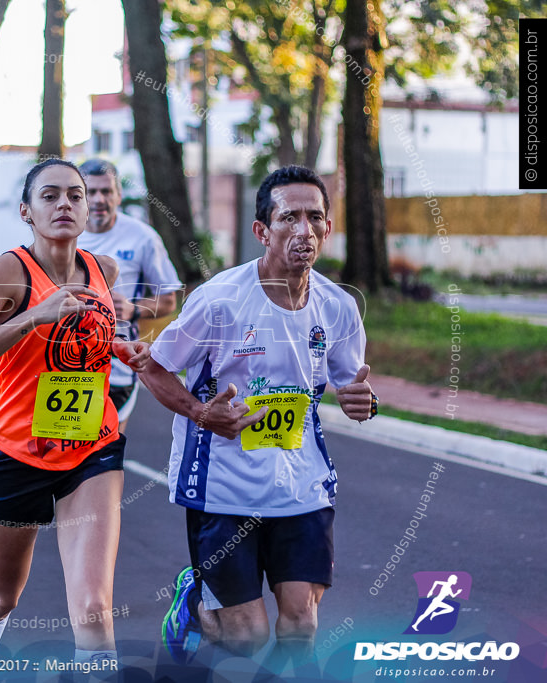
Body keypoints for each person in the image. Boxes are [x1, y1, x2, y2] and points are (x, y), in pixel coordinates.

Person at [135, 166, 377, 669]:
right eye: (289, 217)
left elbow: (351, 383)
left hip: (301, 483)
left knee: (301, 626)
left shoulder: (338, 307)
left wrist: (361, 402)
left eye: (315, 217)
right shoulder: (220, 301)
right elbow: (155, 370)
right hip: (224, 485)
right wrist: (203, 413)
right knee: (246, 638)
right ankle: (192, 605)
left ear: (328, 229)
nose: (304, 230)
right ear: (262, 231)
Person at [0, 159, 149, 669]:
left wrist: (127, 350)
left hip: (91, 449)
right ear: (26, 211)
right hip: (15, 454)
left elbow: (94, 340)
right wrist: (33, 315)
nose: (65, 205)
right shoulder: (8, 271)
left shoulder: (105, 270)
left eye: (75, 196)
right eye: (50, 196)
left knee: (95, 609)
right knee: (1, 596)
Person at [76, 159, 182, 433]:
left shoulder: (142, 237)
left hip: (115, 361)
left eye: (107, 191)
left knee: (106, 448)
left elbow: (170, 298)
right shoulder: (62, 233)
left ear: (118, 195)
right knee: (61, 447)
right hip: (64, 357)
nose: (99, 200)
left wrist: (134, 309)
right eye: (91, 192)